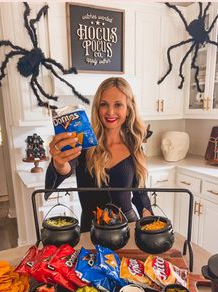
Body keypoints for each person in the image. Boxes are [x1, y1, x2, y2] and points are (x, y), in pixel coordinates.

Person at [45, 77, 153, 232]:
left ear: (128, 109)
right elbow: (63, 170)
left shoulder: (135, 146)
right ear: (97, 108)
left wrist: (150, 225)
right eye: (104, 104)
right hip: (92, 230)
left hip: (127, 228)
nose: (110, 112)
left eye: (118, 105)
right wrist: (59, 163)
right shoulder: (84, 142)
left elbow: (140, 194)